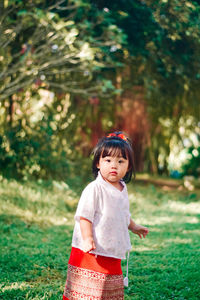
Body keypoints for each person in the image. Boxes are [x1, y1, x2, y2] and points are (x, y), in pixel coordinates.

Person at [63, 132, 149, 300]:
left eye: (120, 161)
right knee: (86, 290)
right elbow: (84, 216)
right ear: (98, 163)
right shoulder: (95, 188)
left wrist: (133, 226)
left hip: (111, 246)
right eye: (108, 160)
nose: (114, 166)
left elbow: (123, 214)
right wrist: (87, 238)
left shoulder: (122, 188)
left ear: (129, 166)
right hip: (91, 250)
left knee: (108, 289)